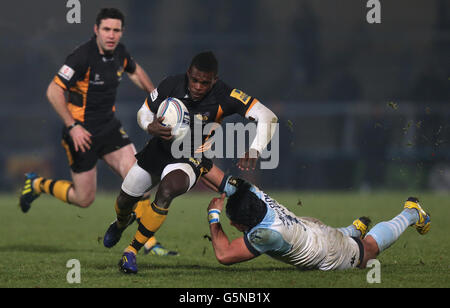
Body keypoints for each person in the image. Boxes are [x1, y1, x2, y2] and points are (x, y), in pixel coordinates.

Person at [18, 8, 175, 256]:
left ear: (121, 32)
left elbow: (135, 71)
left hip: (110, 129)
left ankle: (148, 242)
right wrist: (73, 126)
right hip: (81, 135)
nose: (111, 35)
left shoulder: (120, 53)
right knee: (84, 198)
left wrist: (156, 98)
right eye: (106, 29)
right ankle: (36, 184)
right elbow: (53, 91)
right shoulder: (81, 57)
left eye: (116, 30)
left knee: (140, 179)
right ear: (96, 30)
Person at [104, 51, 279, 274]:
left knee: (167, 190)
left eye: (204, 83)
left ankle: (131, 251)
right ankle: (120, 223)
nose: (198, 86)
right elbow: (144, 111)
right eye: (195, 80)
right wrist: (150, 126)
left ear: (214, 80)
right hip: (158, 151)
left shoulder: (226, 95)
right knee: (125, 199)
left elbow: (268, 117)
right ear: (189, 74)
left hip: (190, 158)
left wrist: (255, 149)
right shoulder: (171, 84)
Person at [206, 176, 431, 270]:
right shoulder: (254, 193)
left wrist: (213, 215)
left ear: (239, 225)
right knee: (324, 235)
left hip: (328, 251)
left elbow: (224, 255)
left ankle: (411, 213)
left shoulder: (265, 236)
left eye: (232, 222)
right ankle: (353, 230)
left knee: (368, 251)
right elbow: (225, 180)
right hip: (308, 227)